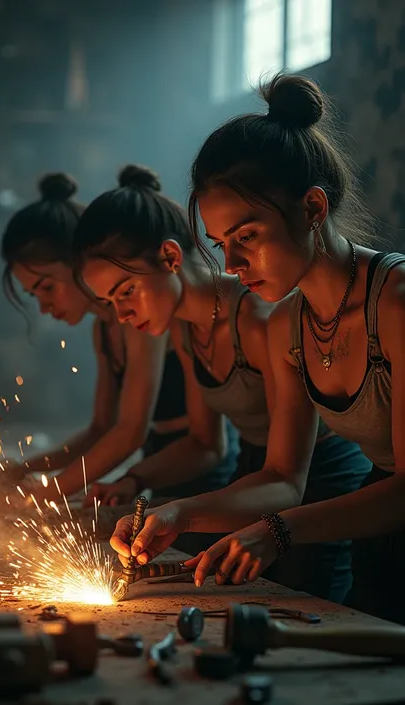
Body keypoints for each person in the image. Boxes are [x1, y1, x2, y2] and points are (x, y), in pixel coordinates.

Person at [110, 73, 405, 624]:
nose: (232, 265)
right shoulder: (287, 324)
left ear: (313, 208)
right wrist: (177, 513)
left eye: (247, 236)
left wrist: (279, 531)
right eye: (222, 245)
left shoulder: (394, 305)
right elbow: (282, 479)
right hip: (378, 521)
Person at [74, 162, 371, 603]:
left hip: (316, 484)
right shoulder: (185, 329)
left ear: (171, 258)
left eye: (126, 292)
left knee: (301, 603)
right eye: (109, 302)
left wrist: (178, 510)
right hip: (253, 475)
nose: (121, 315)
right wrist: (137, 485)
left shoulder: (257, 319)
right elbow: (204, 442)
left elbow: (286, 474)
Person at [0, 172, 236, 523]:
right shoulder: (107, 329)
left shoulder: (148, 319)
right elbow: (101, 428)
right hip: (159, 463)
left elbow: (129, 431)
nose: (44, 308)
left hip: (196, 466)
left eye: (47, 288)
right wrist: (22, 472)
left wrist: (48, 493)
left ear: (79, 265)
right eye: (34, 296)